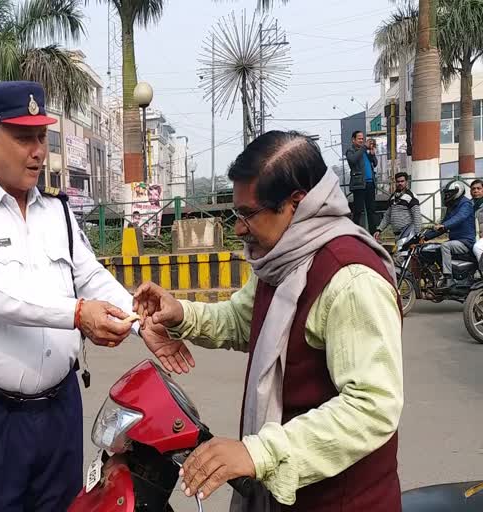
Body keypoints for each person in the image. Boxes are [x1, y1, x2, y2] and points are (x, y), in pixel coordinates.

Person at [134, 131, 403, 510]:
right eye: (236, 213)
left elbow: (372, 407)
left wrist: (259, 453)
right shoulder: (281, 261)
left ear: (296, 203)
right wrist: (181, 314)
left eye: (248, 214)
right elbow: (244, 321)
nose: (240, 228)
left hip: (341, 501)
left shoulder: (350, 278)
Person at [0, 81, 167, 512]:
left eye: (42, 136)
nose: (38, 150)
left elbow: (90, 274)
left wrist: (138, 322)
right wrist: (78, 314)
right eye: (24, 138)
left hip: (61, 410)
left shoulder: (56, 210)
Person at [428, 180, 476, 290]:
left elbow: (459, 218)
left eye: (450, 193)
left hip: (466, 241)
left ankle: (448, 279)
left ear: (458, 191)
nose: (447, 195)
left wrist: (444, 225)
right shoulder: (452, 206)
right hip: (456, 241)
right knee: (432, 248)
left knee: (445, 245)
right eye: (447, 193)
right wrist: (425, 237)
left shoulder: (466, 204)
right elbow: (443, 226)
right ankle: (437, 277)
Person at [374, 172, 423, 241]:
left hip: (408, 235)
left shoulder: (411, 196)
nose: (400, 183)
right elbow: (387, 216)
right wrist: (379, 229)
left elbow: (417, 216)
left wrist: (418, 234)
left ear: (406, 182)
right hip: (397, 236)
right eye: (398, 181)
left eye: (402, 181)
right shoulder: (393, 197)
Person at [346, 131, 379, 233]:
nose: (361, 140)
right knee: (358, 211)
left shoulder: (365, 151)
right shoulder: (350, 150)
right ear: (353, 140)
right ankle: (356, 234)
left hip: (370, 184)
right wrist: (364, 147)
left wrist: (372, 155)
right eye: (359, 138)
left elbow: (375, 163)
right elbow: (353, 160)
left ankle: (374, 234)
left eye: (362, 139)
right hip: (359, 185)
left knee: (371, 211)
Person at [471, 180, 483, 266]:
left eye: (479, 188)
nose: (476, 191)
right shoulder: (468, 205)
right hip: (474, 236)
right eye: (473, 189)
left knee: (477, 247)